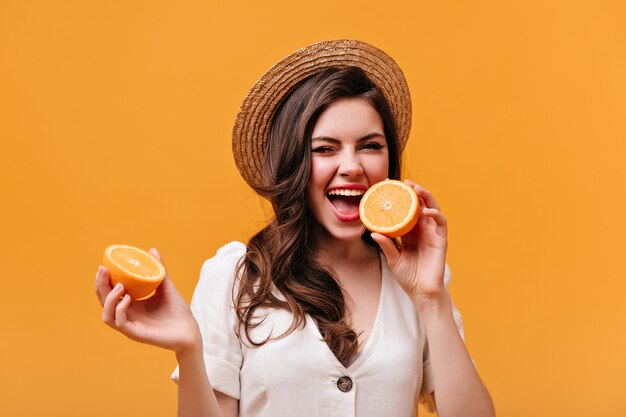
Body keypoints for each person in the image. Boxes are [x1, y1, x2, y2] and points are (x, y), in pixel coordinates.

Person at [94, 39, 495, 417]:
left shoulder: (420, 283)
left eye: (371, 146)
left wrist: (431, 298)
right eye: (324, 148)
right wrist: (188, 348)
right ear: (294, 165)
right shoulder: (234, 276)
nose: (353, 166)